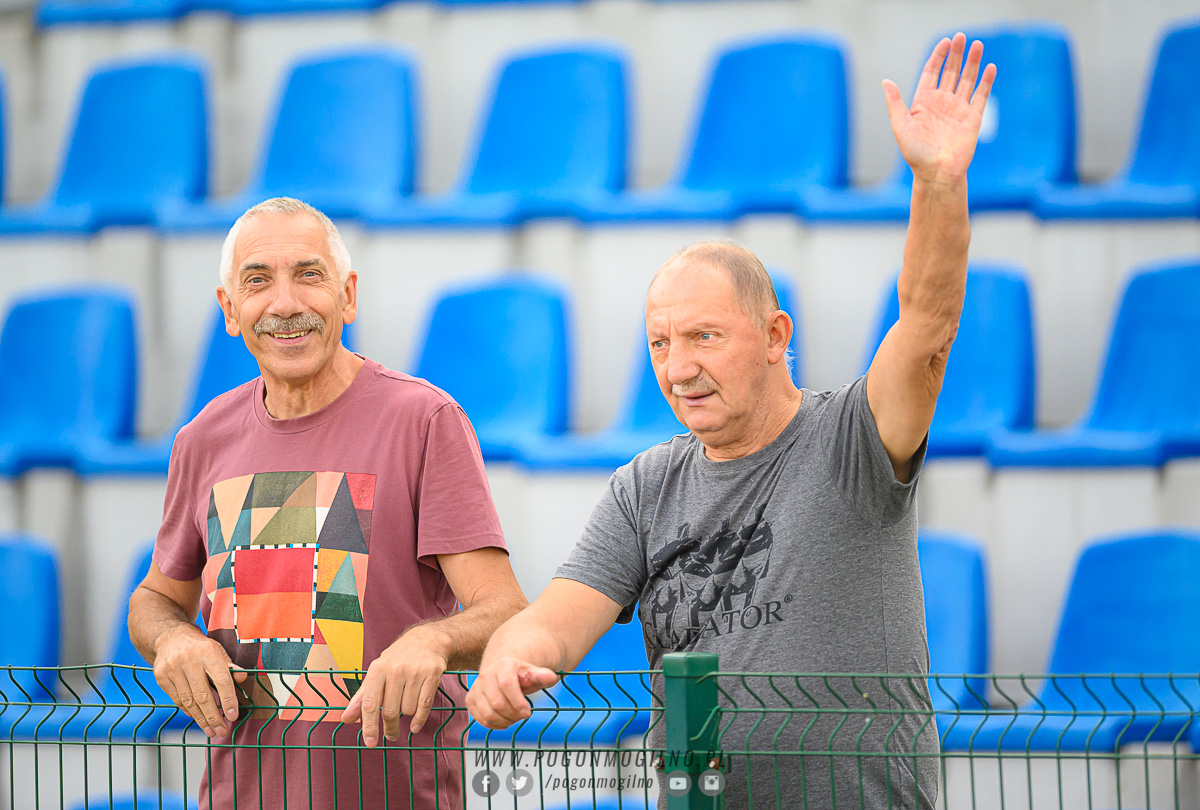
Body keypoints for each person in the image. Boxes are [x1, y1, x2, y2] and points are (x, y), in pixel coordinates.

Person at [466, 33, 996, 809]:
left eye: (704, 337)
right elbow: (556, 621)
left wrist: (939, 183)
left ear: (776, 336)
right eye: (660, 343)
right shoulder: (644, 487)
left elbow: (926, 326)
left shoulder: (852, 439)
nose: (678, 367)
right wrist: (509, 657)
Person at [127, 197, 528, 809]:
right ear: (230, 310)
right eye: (258, 282)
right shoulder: (202, 439)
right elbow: (156, 600)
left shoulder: (424, 421)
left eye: (309, 275)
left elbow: (505, 611)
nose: (285, 304)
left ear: (348, 296)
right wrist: (173, 641)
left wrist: (434, 642)